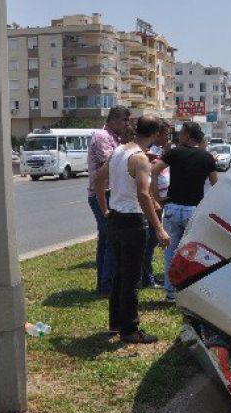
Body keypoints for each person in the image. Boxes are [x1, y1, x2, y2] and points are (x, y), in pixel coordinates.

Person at [94, 116, 169, 344]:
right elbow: (144, 194)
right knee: (131, 279)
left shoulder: (118, 151)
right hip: (132, 223)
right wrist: (159, 228)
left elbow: (98, 181)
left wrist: (106, 210)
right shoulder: (140, 159)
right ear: (155, 135)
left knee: (119, 274)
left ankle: (116, 322)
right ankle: (130, 330)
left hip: (115, 219)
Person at [151, 121, 218, 302]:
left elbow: (154, 172)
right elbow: (216, 186)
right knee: (191, 254)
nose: (178, 136)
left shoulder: (174, 153)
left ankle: (171, 293)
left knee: (170, 253)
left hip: (172, 209)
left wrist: (157, 197)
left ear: (187, 135)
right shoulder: (207, 158)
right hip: (193, 211)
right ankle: (190, 290)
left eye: (181, 133)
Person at [87, 106, 133, 297]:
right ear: (113, 119)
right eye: (124, 120)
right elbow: (114, 163)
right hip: (101, 194)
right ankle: (106, 287)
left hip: (110, 193)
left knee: (106, 239)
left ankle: (105, 284)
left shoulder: (115, 138)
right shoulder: (102, 137)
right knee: (111, 239)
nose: (126, 124)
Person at [140, 119, 172, 289]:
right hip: (153, 202)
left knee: (151, 241)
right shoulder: (149, 152)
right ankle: (146, 277)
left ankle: (147, 275)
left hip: (160, 201)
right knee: (150, 240)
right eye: (166, 134)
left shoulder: (160, 151)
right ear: (157, 134)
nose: (168, 138)